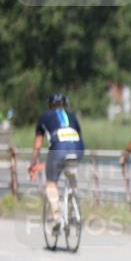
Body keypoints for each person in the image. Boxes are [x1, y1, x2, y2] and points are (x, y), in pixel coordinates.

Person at [30, 93, 84, 232]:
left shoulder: (44, 116)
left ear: (50, 105)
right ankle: (74, 207)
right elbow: (78, 136)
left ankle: (57, 216)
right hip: (77, 148)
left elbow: (37, 144)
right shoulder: (72, 116)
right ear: (65, 104)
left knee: (51, 183)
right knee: (71, 175)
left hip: (58, 149)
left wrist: (33, 162)